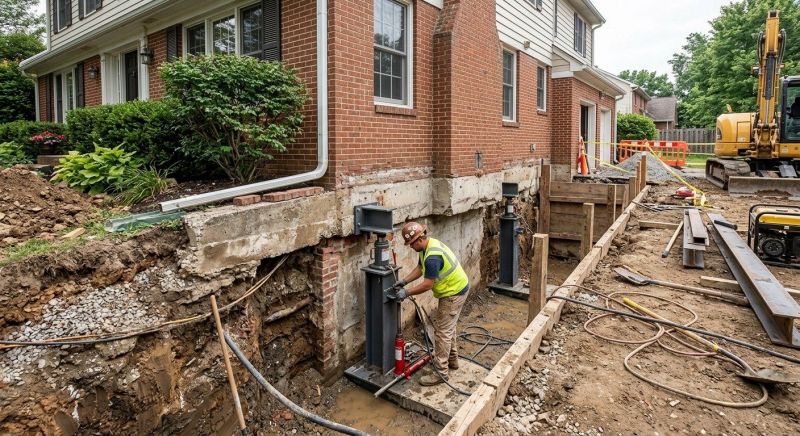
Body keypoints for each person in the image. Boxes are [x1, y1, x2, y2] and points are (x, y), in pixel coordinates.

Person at [390, 221, 470, 386]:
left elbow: (427, 284)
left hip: (453, 293)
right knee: (448, 328)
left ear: (419, 239)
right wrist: (404, 281)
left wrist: (406, 292)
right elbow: (420, 268)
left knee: (442, 333)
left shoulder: (432, 257)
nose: (410, 247)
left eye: (411, 244)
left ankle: (441, 373)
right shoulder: (427, 247)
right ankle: (452, 361)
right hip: (454, 288)